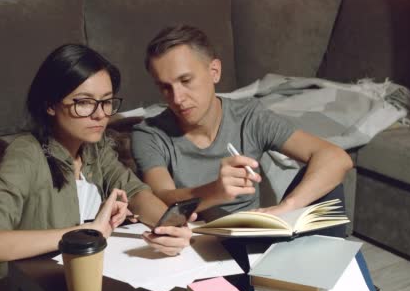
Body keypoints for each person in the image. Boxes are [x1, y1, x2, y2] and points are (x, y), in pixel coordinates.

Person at [0, 44, 194, 291]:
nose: (99, 114)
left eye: (106, 101)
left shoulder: (94, 147)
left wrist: (170, 227)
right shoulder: (26, 154)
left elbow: (136, 192)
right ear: (50, 104)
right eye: (84, 102)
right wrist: (85, 235)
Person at [131, 25, 353, 224]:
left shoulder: (249, 116)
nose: (177, 98)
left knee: (327, 187)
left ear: (214, 71)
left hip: (252, 232)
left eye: (186, 81)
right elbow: (161, 198)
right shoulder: (149, 133)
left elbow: (336, 157)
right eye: (165, 87)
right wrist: (215, 192)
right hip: (197, 244)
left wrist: (287, 207)